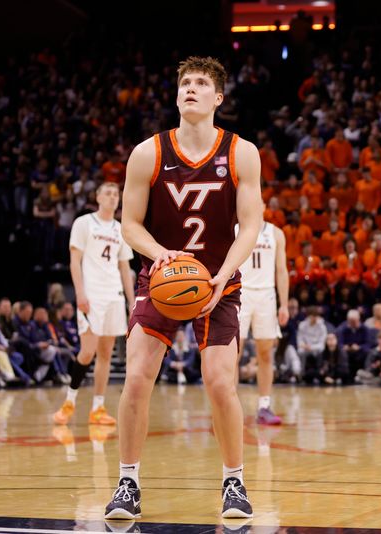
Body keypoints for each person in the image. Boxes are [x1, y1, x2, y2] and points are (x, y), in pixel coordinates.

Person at [105, 56, 262, 520]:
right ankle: (127, 482)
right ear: (177, 96)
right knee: (135, 377)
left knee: (219, 383)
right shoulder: (148, 153)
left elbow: (251, 226)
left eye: (201, 84)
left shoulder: (241, 152)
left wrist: (223, 275)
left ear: (218, 98)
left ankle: (234, 482)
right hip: (161, 280)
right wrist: (160, 256)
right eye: (185, 83)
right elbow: (129, 225)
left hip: (219, 282)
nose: (191, 89)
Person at [52, 182, 135, 426]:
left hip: (114, 295)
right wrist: (80, 293)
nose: (112, 197)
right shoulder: (84, 223)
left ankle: (98, 408)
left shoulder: (121, 229)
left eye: (115, 194)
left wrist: (132, 302)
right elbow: (74, 261)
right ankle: (69, 402)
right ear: (97, 197)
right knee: (87, 351)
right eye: (107, 193)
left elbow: (124, 267)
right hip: (92, 295)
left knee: (106, 354)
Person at [236, 213, 289, 426]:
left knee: (266, 353)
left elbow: (282, 271)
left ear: (263, 206)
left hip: (266, 294)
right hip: (240, 293)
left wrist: (284, 304)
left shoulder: (276, 233)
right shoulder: (235, 230)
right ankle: (231, 407)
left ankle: (264, 406)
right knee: (233, 354)